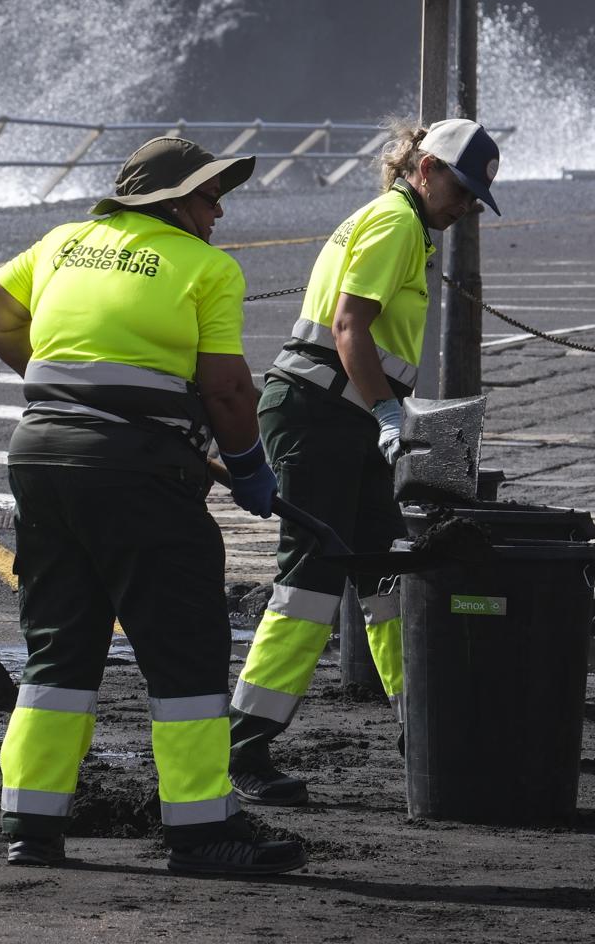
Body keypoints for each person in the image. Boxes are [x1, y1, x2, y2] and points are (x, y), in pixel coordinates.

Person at [0, 136, 307, 876]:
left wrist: (61, 386)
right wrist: (251, 470)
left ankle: (32, 824)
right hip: (140, 478)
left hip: (42, 458)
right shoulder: (208, 269)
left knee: (60, 647)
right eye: (209, 196)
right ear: (170, 202)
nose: (219, 211)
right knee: (183, 649)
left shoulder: (66, 241)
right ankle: (200, 831)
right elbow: (226, 390)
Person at [226, 119, 502, 806]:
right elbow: (351, 328)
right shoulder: (396, 225)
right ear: (427, 168)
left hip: (341, 414)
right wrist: (386, 414)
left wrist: (381, 413)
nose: (465, 208)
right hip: (324, 416)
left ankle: (420, 720)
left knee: (381, 570)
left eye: (474, 199)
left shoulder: (394, 221)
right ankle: (243, 744)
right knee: (311, 578)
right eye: (462, 191)